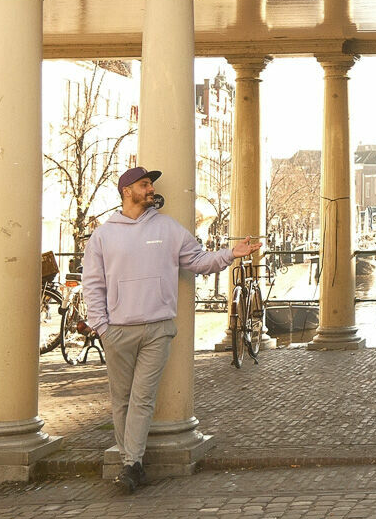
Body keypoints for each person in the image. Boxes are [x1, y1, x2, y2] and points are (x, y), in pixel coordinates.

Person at [82, 165, 259, 494]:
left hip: (158, 328)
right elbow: (92, 285)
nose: (150, 189)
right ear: (127, 191)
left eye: (151, 185)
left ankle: (132, 464)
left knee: (142, 398)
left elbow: (198, 260)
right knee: (121, 399)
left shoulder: (168, 228)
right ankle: (128, 460)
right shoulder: (103, 235)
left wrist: (231, 254)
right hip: (117, 330)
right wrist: (102, 327)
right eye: (144, 184)